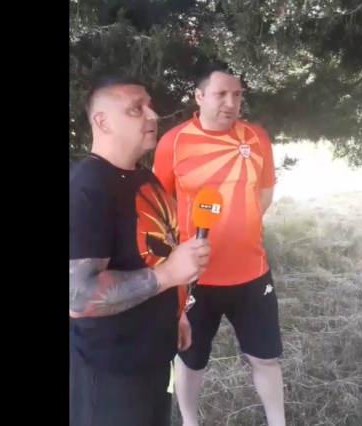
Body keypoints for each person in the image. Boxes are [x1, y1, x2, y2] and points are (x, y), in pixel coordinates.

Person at [69, 75, 211, 426]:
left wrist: (176, 315)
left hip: (154, 354)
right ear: (102, 121)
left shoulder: (145, 178)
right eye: (136, 108)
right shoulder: (86, 188)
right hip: (111, 371)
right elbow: (77, 296)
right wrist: (168, 275)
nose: (153, 115)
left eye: (150, 105)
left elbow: (157, 254)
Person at [153, 62, 285, 426]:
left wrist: (238, 228)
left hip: (252, 273)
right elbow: (160, 206)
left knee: (265, 358)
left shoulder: (256, 137)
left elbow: (264, 194)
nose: (231, 102)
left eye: (237, 95)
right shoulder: (173, 142)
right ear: (199, 96)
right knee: (190, 359)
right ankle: (190, 421)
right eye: (221, 94)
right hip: (194, 278)